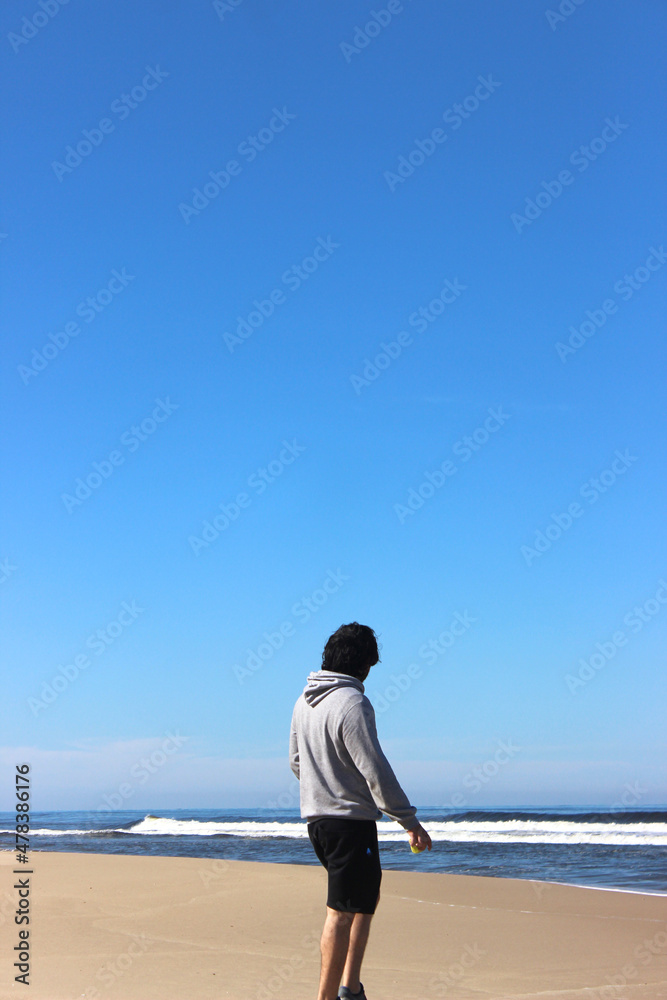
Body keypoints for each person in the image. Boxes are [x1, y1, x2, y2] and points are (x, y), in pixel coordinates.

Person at [289, 622, 432, 1000]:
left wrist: (321, 786)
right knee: (340, 911)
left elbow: (296, 761)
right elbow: (374, 768)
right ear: (364, 664)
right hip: (349, 823)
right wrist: (408, 819)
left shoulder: (303, 701)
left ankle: (350, 987)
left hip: (318, 821)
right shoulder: (352, 702)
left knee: (362, 901)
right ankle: (328, 996)